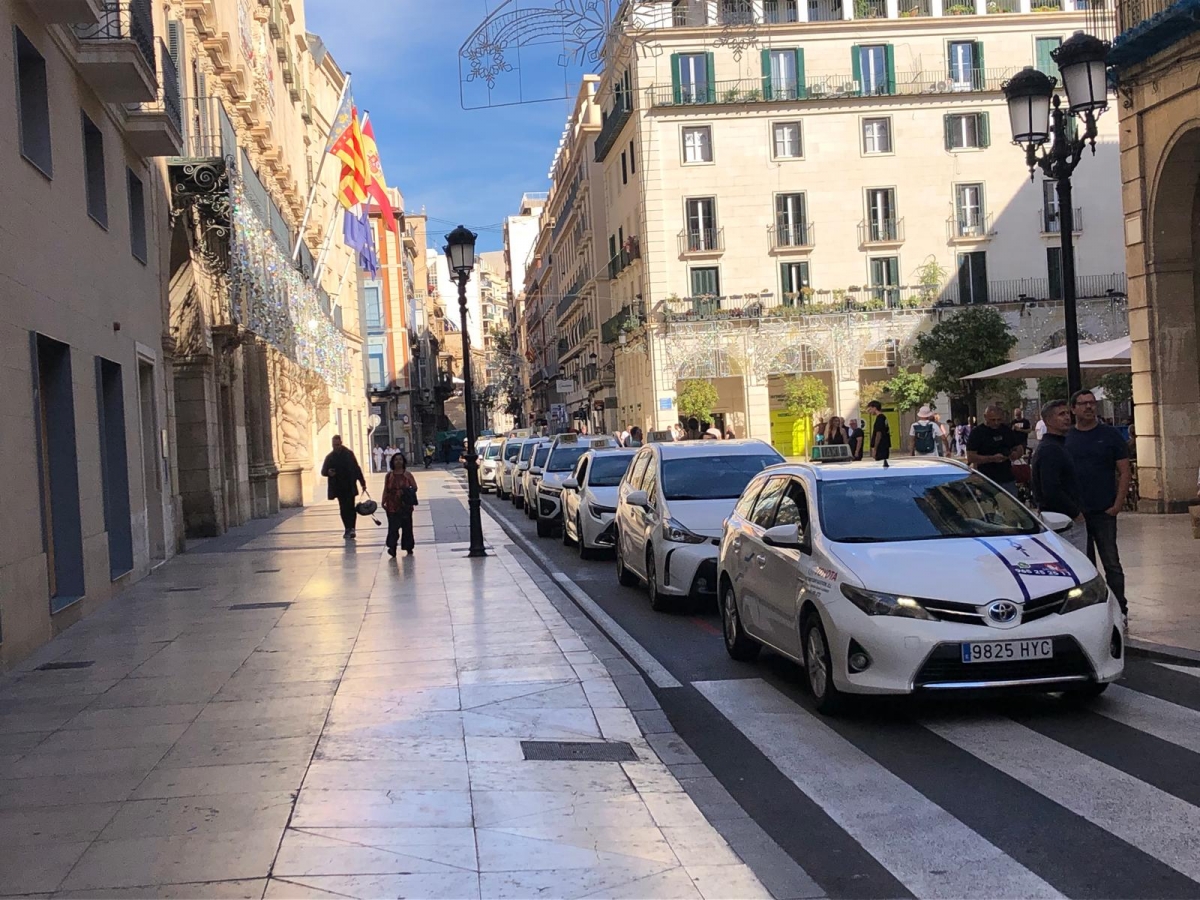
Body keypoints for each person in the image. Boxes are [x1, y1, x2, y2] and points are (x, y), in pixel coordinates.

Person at [1066, 390, 1132, 615]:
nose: (1088, 407)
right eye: (1083, 404)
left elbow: (1124, 471)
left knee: (1111, 563)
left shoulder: (1110, 435)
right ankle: (1089, 610)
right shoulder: (1067, 437)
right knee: (1083, 566)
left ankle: (1120, 609)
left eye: (1092, 403)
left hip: (1104, 510)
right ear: (1073, 409)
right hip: (1076, 514)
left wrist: (1118, 504)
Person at [1031, 399, 1087, 552]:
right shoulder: (1050, 449)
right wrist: (1075, 513)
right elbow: (1050, 488)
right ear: (1048, 420)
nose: (1067, 417)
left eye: (1068, 413)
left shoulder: (1060, 446)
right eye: (1061, 414)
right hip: (1063, 521)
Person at [967, 406, 1023, 495]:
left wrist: (1016, 454)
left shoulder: (1006, 430)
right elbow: (970, 457)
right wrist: (992, 458)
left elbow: (1019, 446)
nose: (996, 423)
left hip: (1007, 477)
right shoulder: (977, 433)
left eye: (999, 420)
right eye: (992, 420)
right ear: (985, 417)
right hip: (986, 479)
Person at [321, 435, 367, 539]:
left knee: (351, 507)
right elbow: (323, 471)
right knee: (343, 508)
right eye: (334, 445)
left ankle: (352, 528)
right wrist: (328, 472)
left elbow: (356, 468)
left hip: (349, 485)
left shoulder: (349, 454)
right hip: (338, 487)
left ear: (341, 443)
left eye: (337, 445)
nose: (336, 447)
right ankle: (347, 528)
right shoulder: (330, 457)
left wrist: (362, 482)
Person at [381, 452, 418, 557]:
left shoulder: (408, 475)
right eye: (396, 459)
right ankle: (392, 547)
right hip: (392, 504)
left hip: (405, 504)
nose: (398, 461)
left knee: (407, 527)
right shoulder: (389, 475)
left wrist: (406, 491)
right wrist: (383, 500)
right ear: (393, 462)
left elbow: (415, 487)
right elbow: (386, 489)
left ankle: (408, 547)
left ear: (403, 461)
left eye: (400, 459)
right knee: (393, 527)